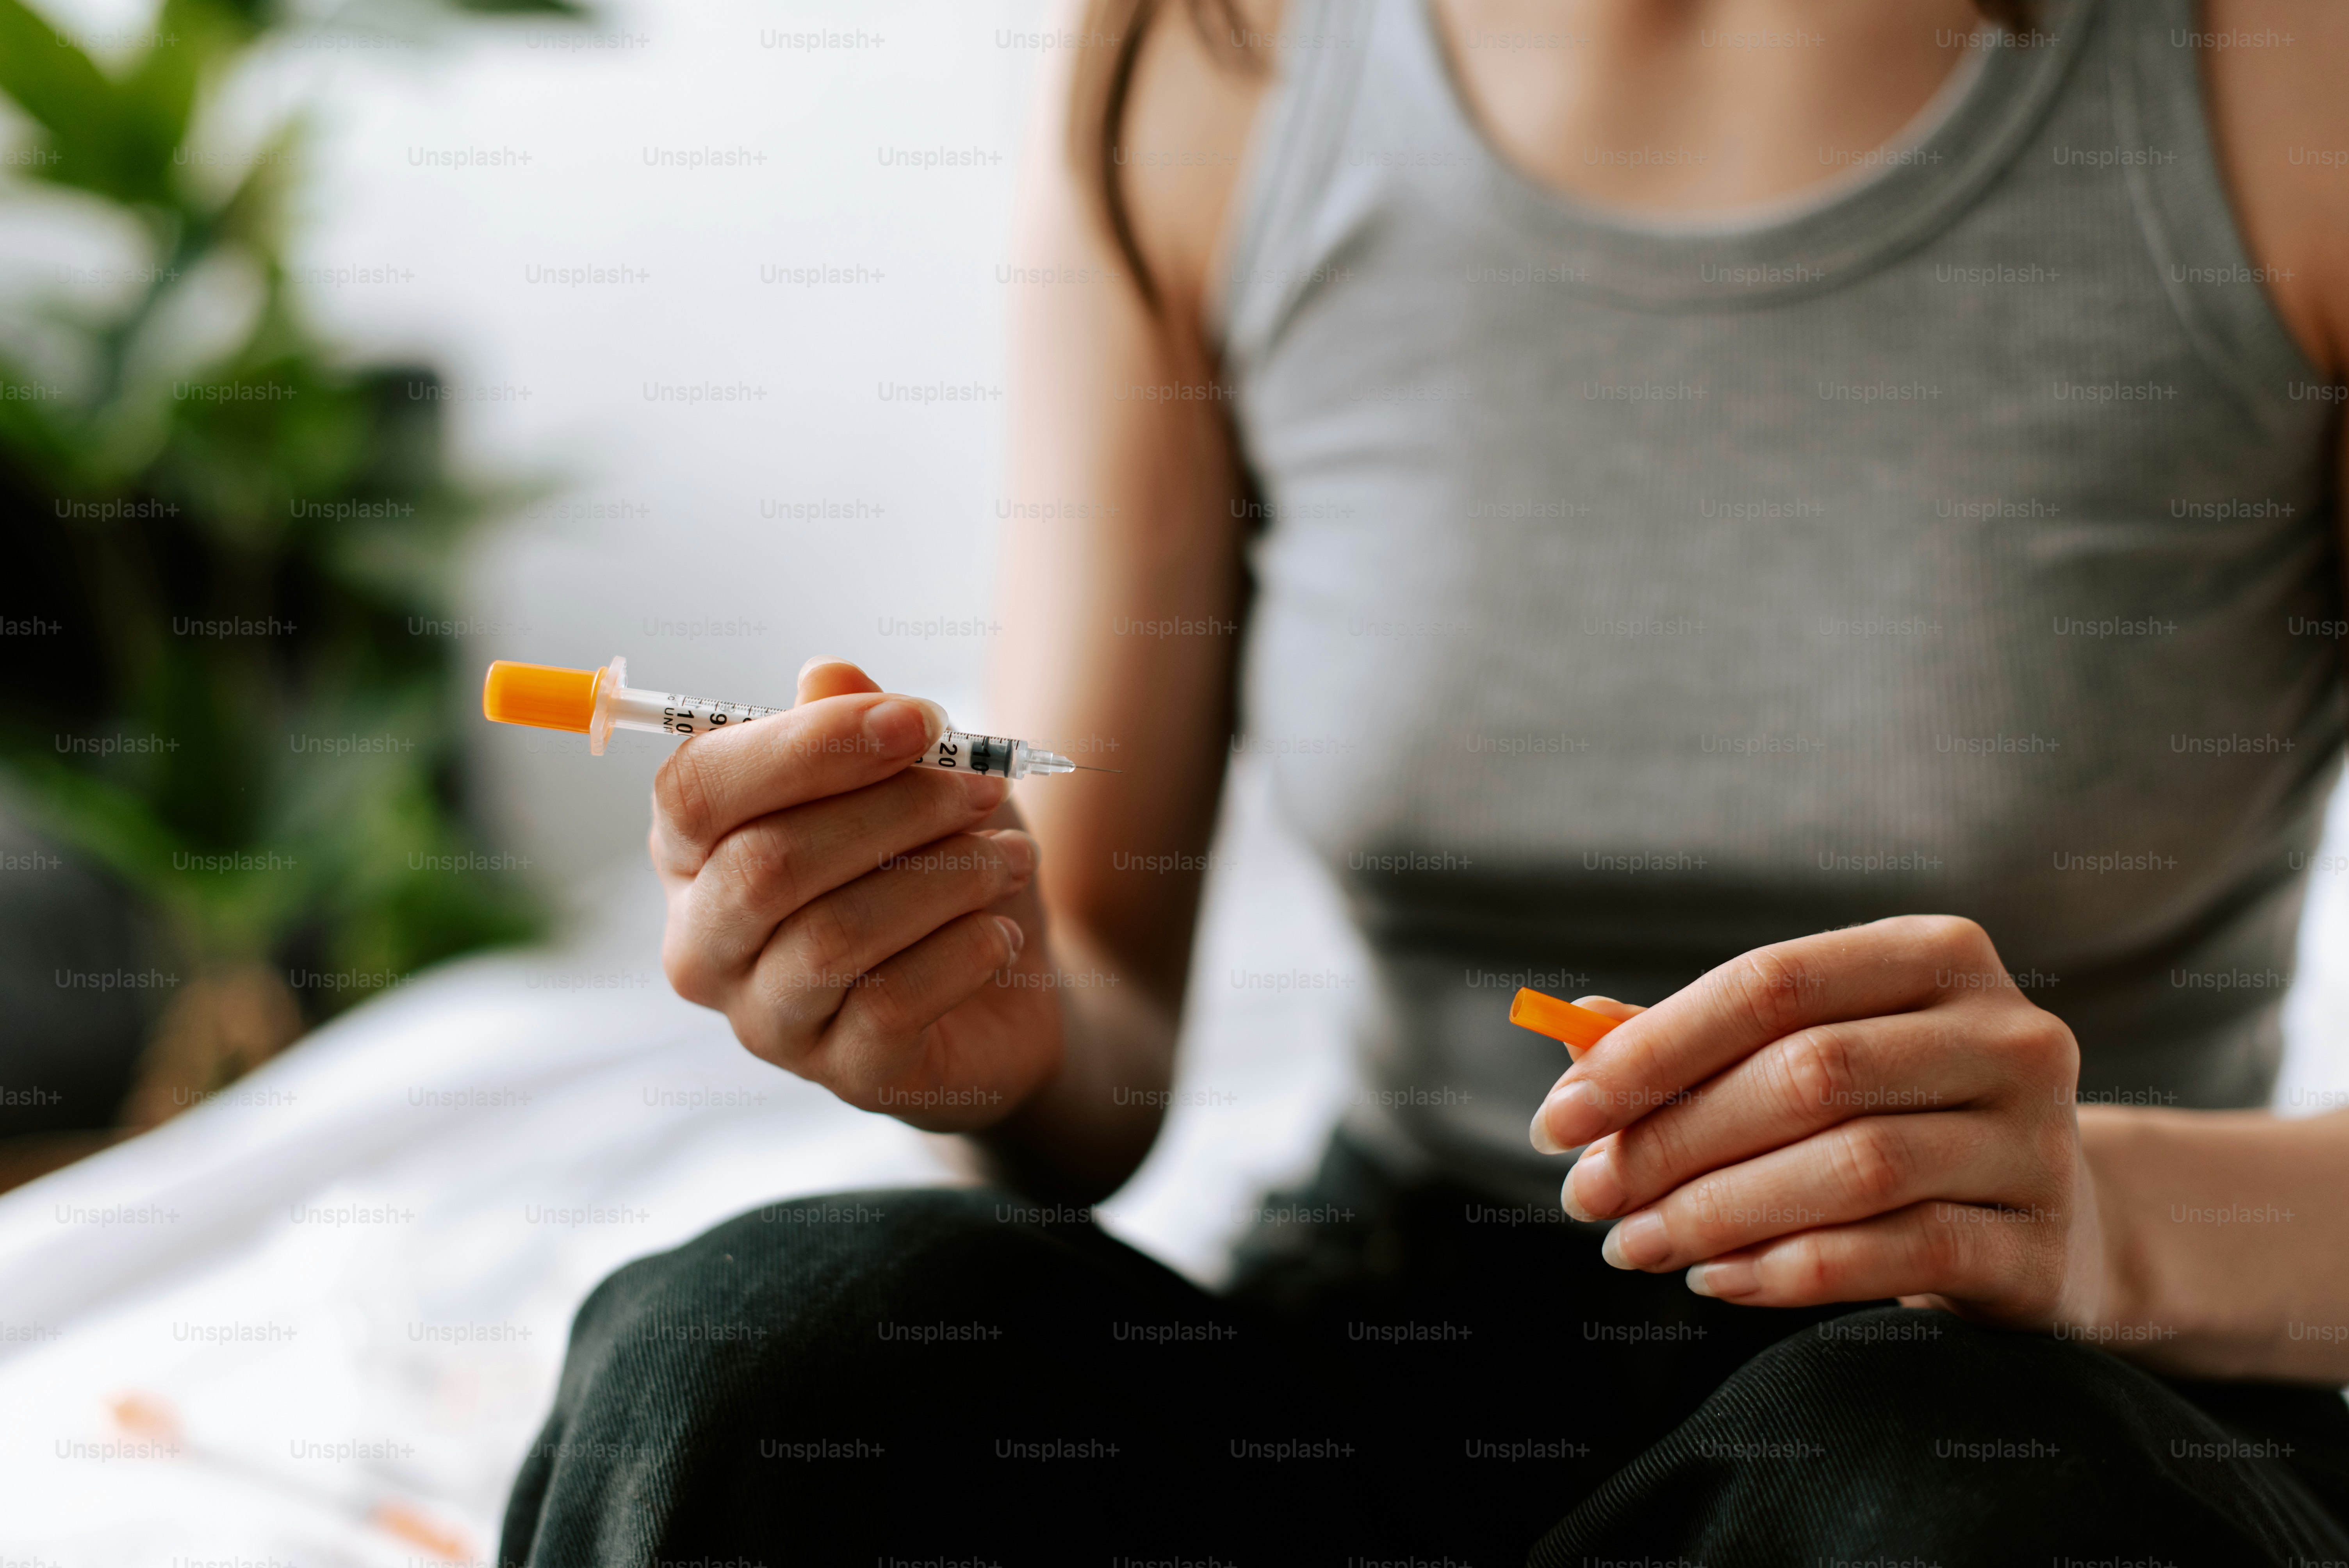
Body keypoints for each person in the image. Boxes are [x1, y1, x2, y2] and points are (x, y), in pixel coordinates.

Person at [498, 0, 2349, 1561]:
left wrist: (2101, 1217)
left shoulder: (2283, 79)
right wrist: (974, 1013)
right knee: (767, 1356)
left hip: (2020, 1398)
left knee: (1930, 1480)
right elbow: (1095, 1019)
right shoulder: (1212, 60)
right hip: (1392, 1357)